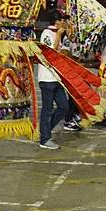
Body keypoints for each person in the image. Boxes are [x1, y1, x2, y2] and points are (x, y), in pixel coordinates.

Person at [38, 16, 70, 150]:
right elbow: (51, 53)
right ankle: (44, 139)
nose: (65, 23)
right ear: (56, 21)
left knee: (64, 106)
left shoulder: (59, 35)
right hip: (47, 78)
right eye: (63, 20)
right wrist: (58, 34)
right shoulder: (47, 33)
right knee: (47, 108)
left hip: (57, 78)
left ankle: (45, 129)